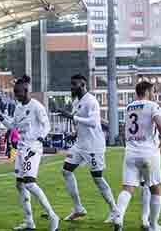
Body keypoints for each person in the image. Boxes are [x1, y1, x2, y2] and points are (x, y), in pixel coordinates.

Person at [0, 75, 59, 231]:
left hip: (33, 147)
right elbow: (12, 126)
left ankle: (52, 216)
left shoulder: (37, 106)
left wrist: (41, 138)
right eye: (15, 93)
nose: (17, 95)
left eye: (19, 92)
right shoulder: (18, 107)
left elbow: (47, 125)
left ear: (26, 91)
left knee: (29, 182)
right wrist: (1, 118)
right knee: (20, 184)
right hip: (21, 148)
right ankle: (29, 221)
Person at [58, 74, 117, 222]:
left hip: (93, 146)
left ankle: (114, 210)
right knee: (66, 171)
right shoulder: (76, 102)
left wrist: (72, 117)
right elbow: (81, 123)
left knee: (97, 178)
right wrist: (75, 133)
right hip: (80, 144)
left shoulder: (91, 101)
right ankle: (78, 208)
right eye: (71, 84)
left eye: (74, 84)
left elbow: (93, 122)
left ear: (83, 84)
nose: (72, 87)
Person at [112, 81, 161, 231]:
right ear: (147, 91)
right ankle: (154, 224)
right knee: (155, 188)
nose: (154, 94)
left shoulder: (129, 107)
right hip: (149, 153)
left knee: (127, 188)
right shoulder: (152, 106)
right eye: (153, 91)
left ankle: (118, 217)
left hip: (131, 153)